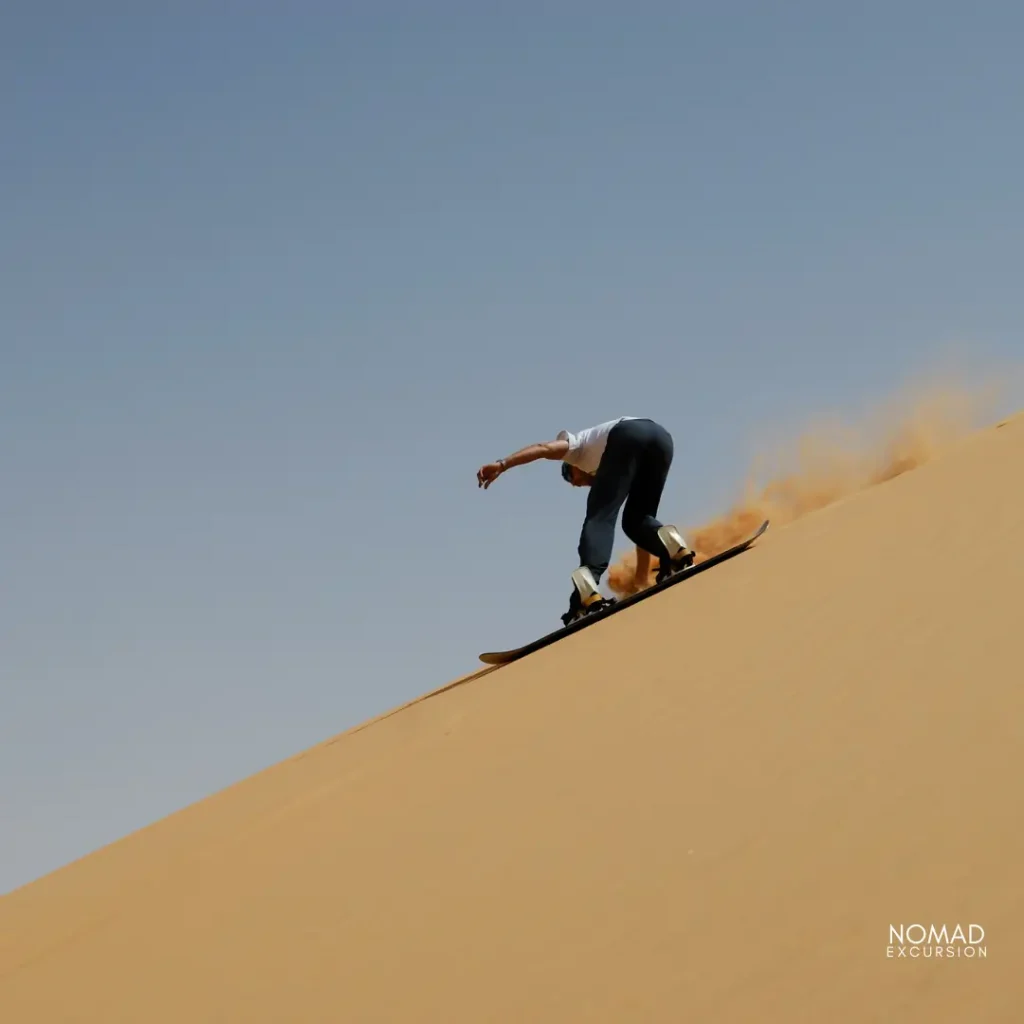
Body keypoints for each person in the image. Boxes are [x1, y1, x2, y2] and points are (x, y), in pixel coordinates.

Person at [476, 416, 694, 625]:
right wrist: (640, 579)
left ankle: (586, 587)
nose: (579, 483)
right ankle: (675, 550)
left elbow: (542, 449)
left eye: (572, 478)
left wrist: (502, 464)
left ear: (572, 467)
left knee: (599, 518)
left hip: (626, 435)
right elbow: (640, 531)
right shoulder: (620, 466)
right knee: (638, 519)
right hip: (661, 439)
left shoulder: (575, 448)